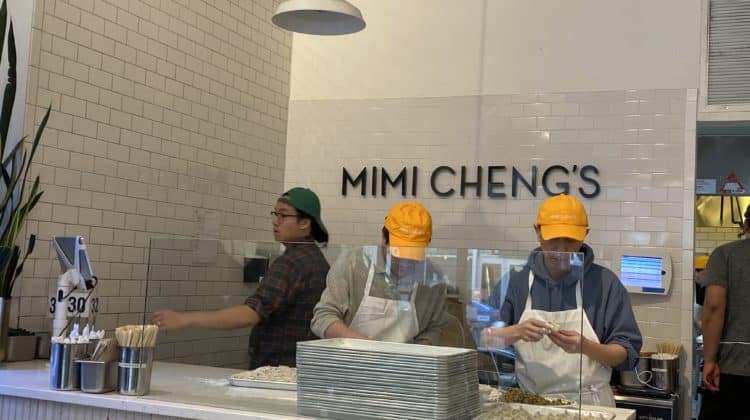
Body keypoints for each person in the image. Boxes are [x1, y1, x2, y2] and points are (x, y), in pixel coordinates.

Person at [482, 194, 642, 406]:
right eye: (553, 239)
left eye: (570, 240)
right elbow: (484, 339)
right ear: (538, 231)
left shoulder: (605, 283)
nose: (561, 249)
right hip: (530, 404)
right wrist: (516, 332)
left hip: (590, 405)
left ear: (584, 235)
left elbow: (626, 356)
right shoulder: (517, 281)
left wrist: (585, 346)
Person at [151, 187, 330, 368]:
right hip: (303, 367)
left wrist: (185, 319)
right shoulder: (317, 259)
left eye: (283, 215)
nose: (275, 222)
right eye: (274, 214)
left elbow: (250, 314)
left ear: (304, 223)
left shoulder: (291, 262)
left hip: (277, 369)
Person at [311, 202, 447, 344]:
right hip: (351, 361)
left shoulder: (432, 278)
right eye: (398, 253)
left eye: (413, 255)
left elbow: (434, 328)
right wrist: (368, 348)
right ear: (383, 239)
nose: (406, 262)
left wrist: (417, 355)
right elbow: (323, 317)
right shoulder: (353, 263)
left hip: (402, 364)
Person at [699, 204, 750, 420]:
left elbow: (713, 306)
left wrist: (709, 360)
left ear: (747, 224)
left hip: (732, 370)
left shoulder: (726, 255)